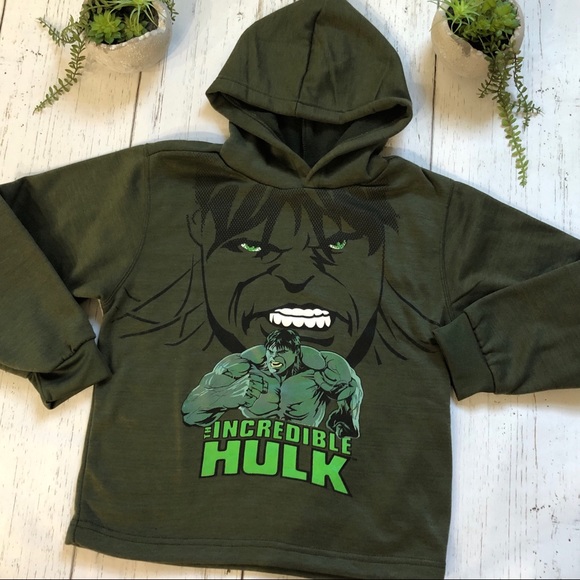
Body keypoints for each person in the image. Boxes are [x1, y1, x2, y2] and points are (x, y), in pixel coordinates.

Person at [182, 328, 363, 438]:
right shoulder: (244, 366)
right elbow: (190, 412)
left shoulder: (321, 368)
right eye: (271, 351)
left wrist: (347, 416)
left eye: (282, 352)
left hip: (305, 459)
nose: (274, 357)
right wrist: (226, 396)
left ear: (296, 353)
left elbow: (352, 387)